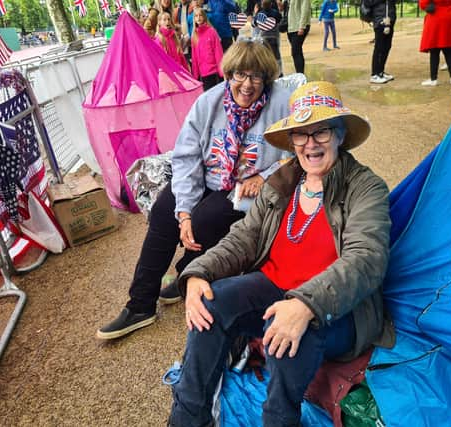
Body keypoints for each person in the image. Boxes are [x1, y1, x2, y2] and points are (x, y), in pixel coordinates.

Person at [167, 81, 395, 426]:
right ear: (291, 142)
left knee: (288, 333)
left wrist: (306, 304)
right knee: (210, 302)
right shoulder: (283, 181)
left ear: (340, 135)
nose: (310, 144)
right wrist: (199, 272)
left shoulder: (366, 186)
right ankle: (188, 417)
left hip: (340, 308)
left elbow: (367, 258)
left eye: (321, 132)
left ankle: (279, 419)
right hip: (274, 287)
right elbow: (244, 237)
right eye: (301, 135)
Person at [97, 40, 293, 340]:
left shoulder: (282, 101)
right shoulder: (209, 102)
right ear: (228, 74)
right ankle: (140, 305)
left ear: (267, 78)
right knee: (165, 213)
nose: (247, 84)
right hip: (207, 176)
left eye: (256, 76)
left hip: (243, 188)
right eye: (240, 74)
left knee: (206, 222)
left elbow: (301, 148)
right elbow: (186, 157)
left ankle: (189, 272)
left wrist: (267, 175)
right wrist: (184, 211)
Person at [419, 0, 451, 86]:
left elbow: (423, 3)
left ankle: (433, 79)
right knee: (450, 50)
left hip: (435, 16)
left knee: (434, 51)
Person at [190, 8, 224, 90]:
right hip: (204, 74)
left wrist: (222, 71)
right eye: (196, 16)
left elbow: (218, 52)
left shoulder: (212, 31)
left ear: (204, 17)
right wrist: (195, 75)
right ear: (194, 19)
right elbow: (194, 57)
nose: (198, 18)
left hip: (214, 72)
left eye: (200, 15)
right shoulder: (194, 36)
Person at [365, 0, 396, 83]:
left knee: (387, 47)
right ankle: (374, 75)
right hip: (380, 20)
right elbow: (367, 3)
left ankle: (380, 72)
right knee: (379, 47)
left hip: (390, 19)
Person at [252, 0, 283, 76]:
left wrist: (255, 12)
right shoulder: (275, 13)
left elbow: (254, 24)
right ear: (271, 4)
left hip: (264, 37)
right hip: (274, 36)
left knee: (264, 55)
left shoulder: (260, 14)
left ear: (262, 5)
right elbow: (280, 20)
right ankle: (279, 72)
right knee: (276, 55)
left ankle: (266, 71)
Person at [287, 0, 311, 74]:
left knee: (296, 52)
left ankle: (300, 75)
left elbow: (305, 9)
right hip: (291, 26)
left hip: (299, 26)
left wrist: (302, 26)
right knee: (296, 52)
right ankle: (299, 74)